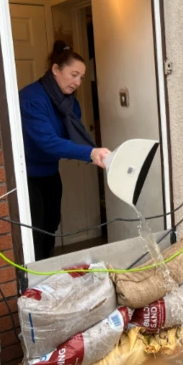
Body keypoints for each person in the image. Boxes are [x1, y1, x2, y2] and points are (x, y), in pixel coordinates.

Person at [19, 40, 110, 261]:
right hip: (27, 177)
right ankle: (35, 279)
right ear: (56, 70)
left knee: (51, 225)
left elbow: (70, 135)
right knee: (35, 232)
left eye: (81, 77)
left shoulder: (69, 104)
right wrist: (90, 153)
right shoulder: (32, 99)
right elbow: (49, 142)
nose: (78, 82)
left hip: (50, 172)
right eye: (73, 75)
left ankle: (46, 269)